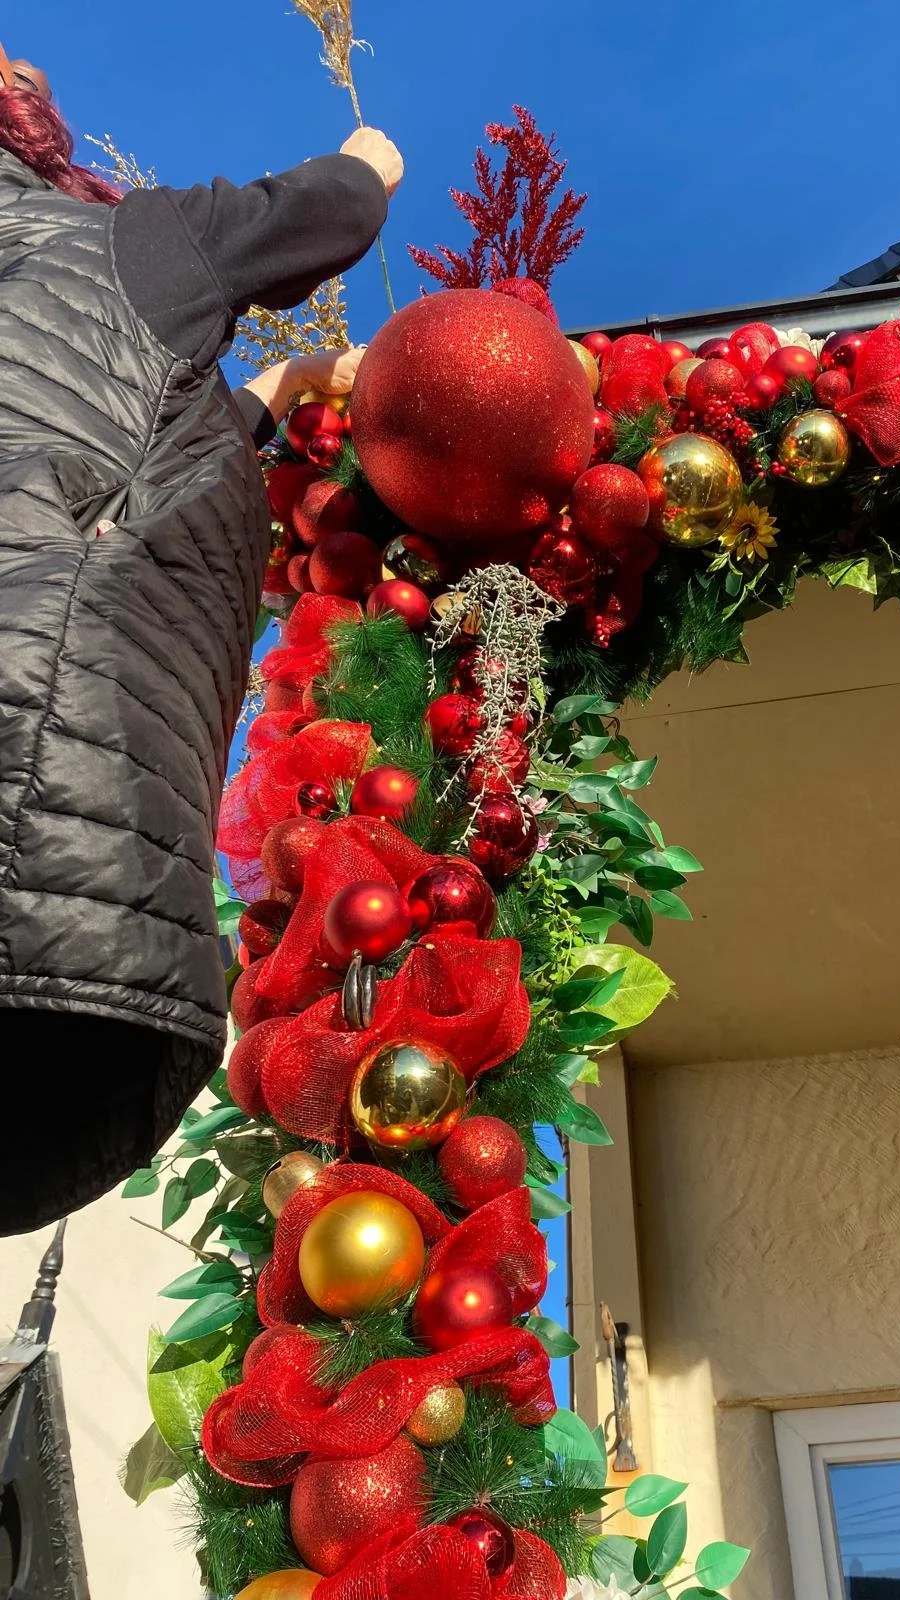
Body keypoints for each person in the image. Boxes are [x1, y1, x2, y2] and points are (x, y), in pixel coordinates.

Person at [0, 44, 403, 1233]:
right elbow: (312, 216)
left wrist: (273, 391)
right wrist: (368, 162)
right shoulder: (102, 249)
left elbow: (106, 463)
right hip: (46, 874)